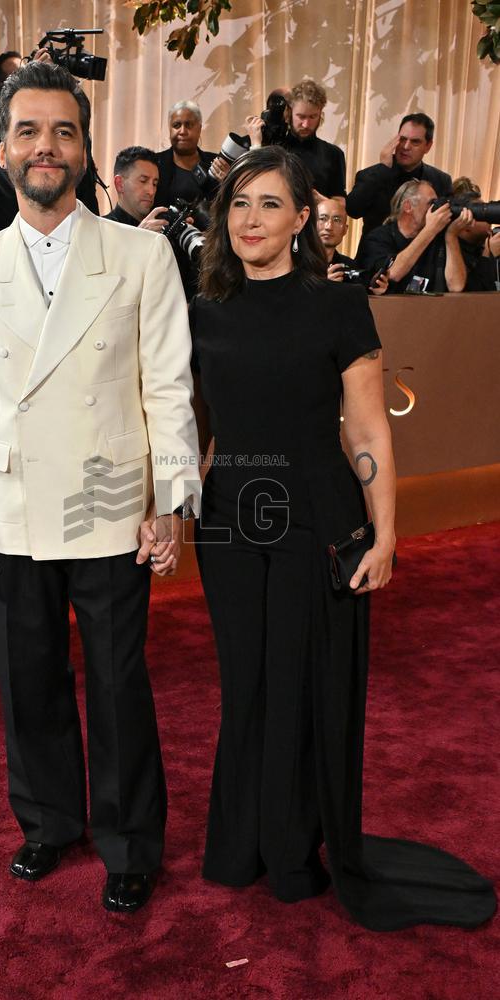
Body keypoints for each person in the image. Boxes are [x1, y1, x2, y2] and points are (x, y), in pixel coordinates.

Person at [189, 144, 496, 931]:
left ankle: (292, 850)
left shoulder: (335, 304)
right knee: (244, 683)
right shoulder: (204, 307)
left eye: (268, 204)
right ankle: (239, 844)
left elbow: (365, 425)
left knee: (297, 684)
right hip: (228, 520)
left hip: (315, 514)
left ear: (301, 219)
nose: (250, 219)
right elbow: (201, 425)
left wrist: (384, 534)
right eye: (238, 204)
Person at [0, 61, 200, 914]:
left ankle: (130, 841)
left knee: (120, 683)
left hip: (110, 503)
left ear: (85, 150)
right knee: (28, 678)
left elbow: (166, 384)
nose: (44, 146)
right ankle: (49, 823)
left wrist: (170, 500)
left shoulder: (141, 252)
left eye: (62, 131)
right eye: (27, 130)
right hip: (12, 510)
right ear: (1, 148)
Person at [356, 179, 471, 293]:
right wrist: (430, 230)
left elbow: (456, 286)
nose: (436, 209)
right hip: (390, 309)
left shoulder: (437, 236)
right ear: (408, 207)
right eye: (431, 203)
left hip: (428, 310)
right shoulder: (379, 237)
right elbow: (393, 274)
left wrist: (451, 236)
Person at [346, 113, 452, 237]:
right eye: (402, 139)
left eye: (415, 142)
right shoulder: (372, 175)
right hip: (375, 253)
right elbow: (353, 210)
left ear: (428, 146)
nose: (406, 146)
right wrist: (383, 170)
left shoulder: (441, 180)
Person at [244, 80, 346, 202]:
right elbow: (253, 187)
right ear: (289, 113)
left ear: (320, 115)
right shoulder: (273, 146)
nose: (306, 124)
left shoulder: (333, 154)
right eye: (301, 116)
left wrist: (323, 201)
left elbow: (340, 203)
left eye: (313, 117)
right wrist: (256, 142)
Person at [154, 101, 225, 210]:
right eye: (176, 125)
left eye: (189, 125)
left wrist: (227, 184)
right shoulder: (155, 163)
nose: (182, 131)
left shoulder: (217, 164)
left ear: (200, 128)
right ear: (169, 129)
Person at [316, 196, 388, 294]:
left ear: (345, 229)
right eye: (323, 219)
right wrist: (321, 287)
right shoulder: (296, 262)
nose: (329, 226)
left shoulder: (350, 266)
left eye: (337, 220)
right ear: (312, 224)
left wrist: (376, 290)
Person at [104, 146, 167, 232]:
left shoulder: (160, 228)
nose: (151, 192)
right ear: (120, 184)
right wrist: (140, 236)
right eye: (143, 181)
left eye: (155, 184)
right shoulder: (101, 230)